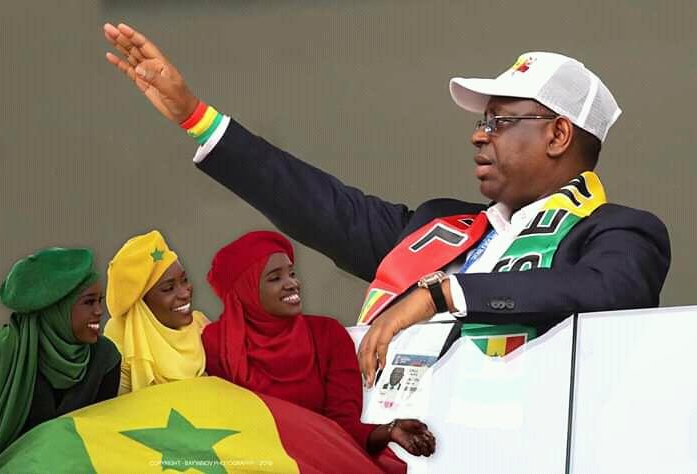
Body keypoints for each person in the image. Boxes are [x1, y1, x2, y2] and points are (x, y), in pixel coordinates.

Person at [102, 24, 670, 386]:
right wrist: (196, 117)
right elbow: (319, 205)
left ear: (558, 135)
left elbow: (607, 292)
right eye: (481, 121)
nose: (478, 135)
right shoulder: (440, 225)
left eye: (500, 121)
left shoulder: (621, 232)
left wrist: (441, 295)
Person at [201, 230, 435, 459]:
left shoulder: (328, 334)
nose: (292, 283)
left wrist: (388, 430)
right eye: (275, 278)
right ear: (245, 290)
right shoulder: (214, 344)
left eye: (292, 273)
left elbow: (343, 426)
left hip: (318, 460)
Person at [0, 248, 120, 466]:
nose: (99, 311)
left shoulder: (105, 358)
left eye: (100, 301)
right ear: (56, 307)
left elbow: (103, 439)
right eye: (89, 302)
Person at [103, 230, 209, 393]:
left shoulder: (201, 325)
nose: (185, 293)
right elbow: (117, 406)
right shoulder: (120, 341)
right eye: (168, 288)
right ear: (141, 303)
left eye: (184, 280)